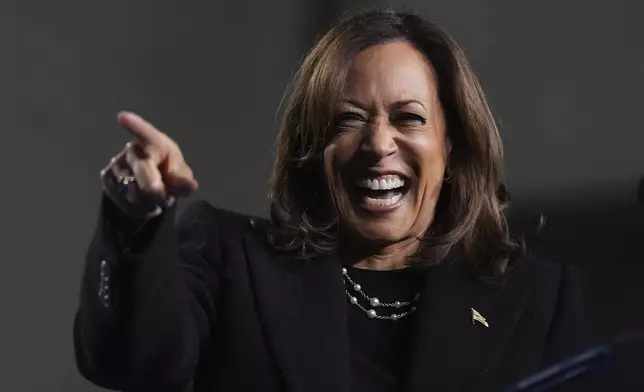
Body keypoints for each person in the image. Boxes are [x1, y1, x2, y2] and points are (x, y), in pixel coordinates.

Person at [73, 9, 587, 392]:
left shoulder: (538, 300)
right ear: (312, 149)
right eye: (348, 120)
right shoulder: (229, 258)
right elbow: (131, 364)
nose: (378, 145)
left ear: (451, 147)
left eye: (409, 118)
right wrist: (136, 223)